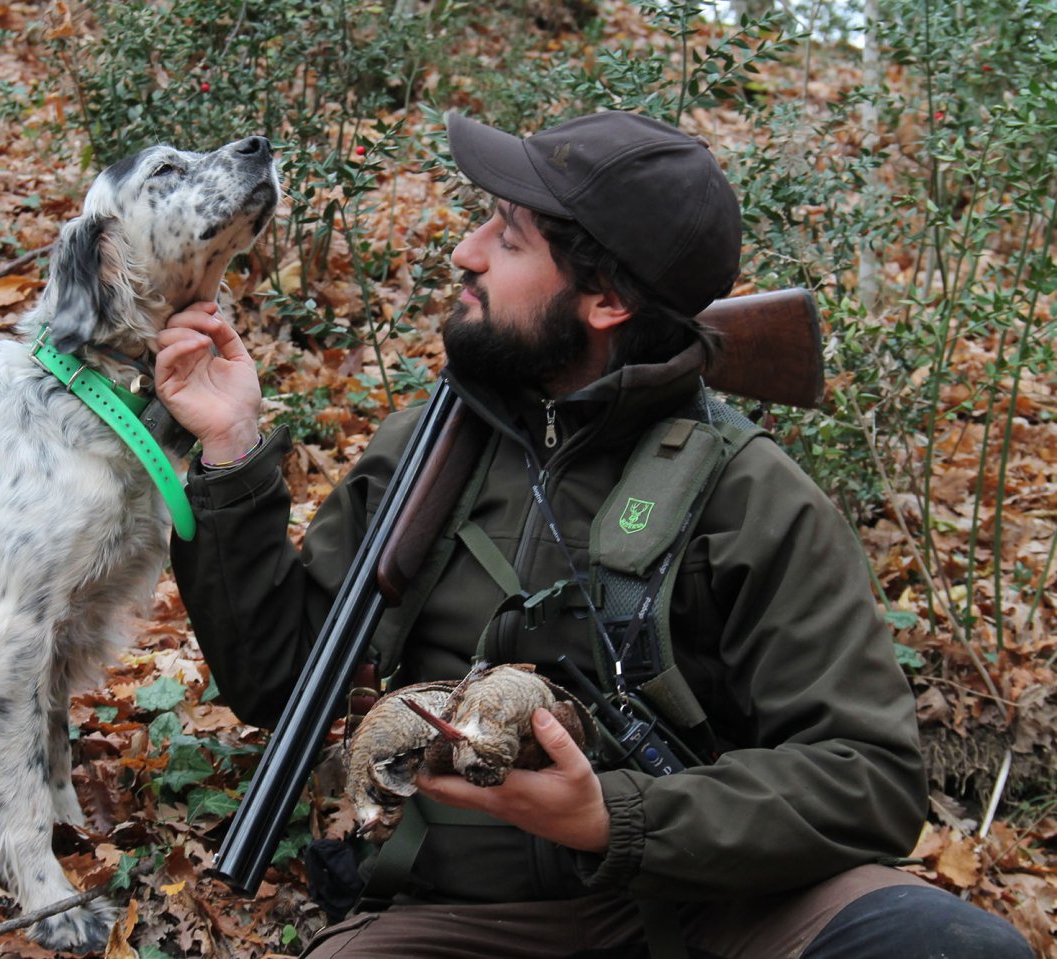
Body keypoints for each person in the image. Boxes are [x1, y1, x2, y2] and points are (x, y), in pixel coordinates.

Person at [152, 111, 1034, 959]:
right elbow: (279, 682)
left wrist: (616, 816)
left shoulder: (752, 490)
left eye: (506, 237)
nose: (464, 253)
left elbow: (868, 778)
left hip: (720, 898)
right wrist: (230, 450)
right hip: (475, 913)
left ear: (606, 299)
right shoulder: (420, 456)